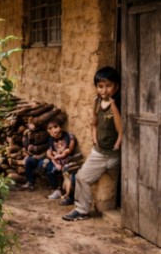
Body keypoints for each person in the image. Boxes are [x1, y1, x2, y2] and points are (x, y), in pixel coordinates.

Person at [63, 66, 122, 221]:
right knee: (82, 177)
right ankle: (82, 210)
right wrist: (94, 137)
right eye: (100, 86)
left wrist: (118, 144)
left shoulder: (120, 104)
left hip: (117, 154)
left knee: (124, 183)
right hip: (100, 153)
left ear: (117, 86)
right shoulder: (97, 102)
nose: (104, 90)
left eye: (108, 86)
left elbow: (121, 129)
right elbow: (94, 122)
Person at [21, 121, 77, 199]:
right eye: (50, 128)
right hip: (57, 160)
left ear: (60, 127)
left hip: (67, 160)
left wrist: (61, 155)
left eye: (55, 127)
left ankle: (67, 194)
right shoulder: (51, 139)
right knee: (44, 164)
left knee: (60, 170)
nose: (54, 130)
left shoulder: (69, 136)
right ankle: (55, 190)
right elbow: (50, 153)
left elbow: (69, 150)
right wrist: (56, 162)